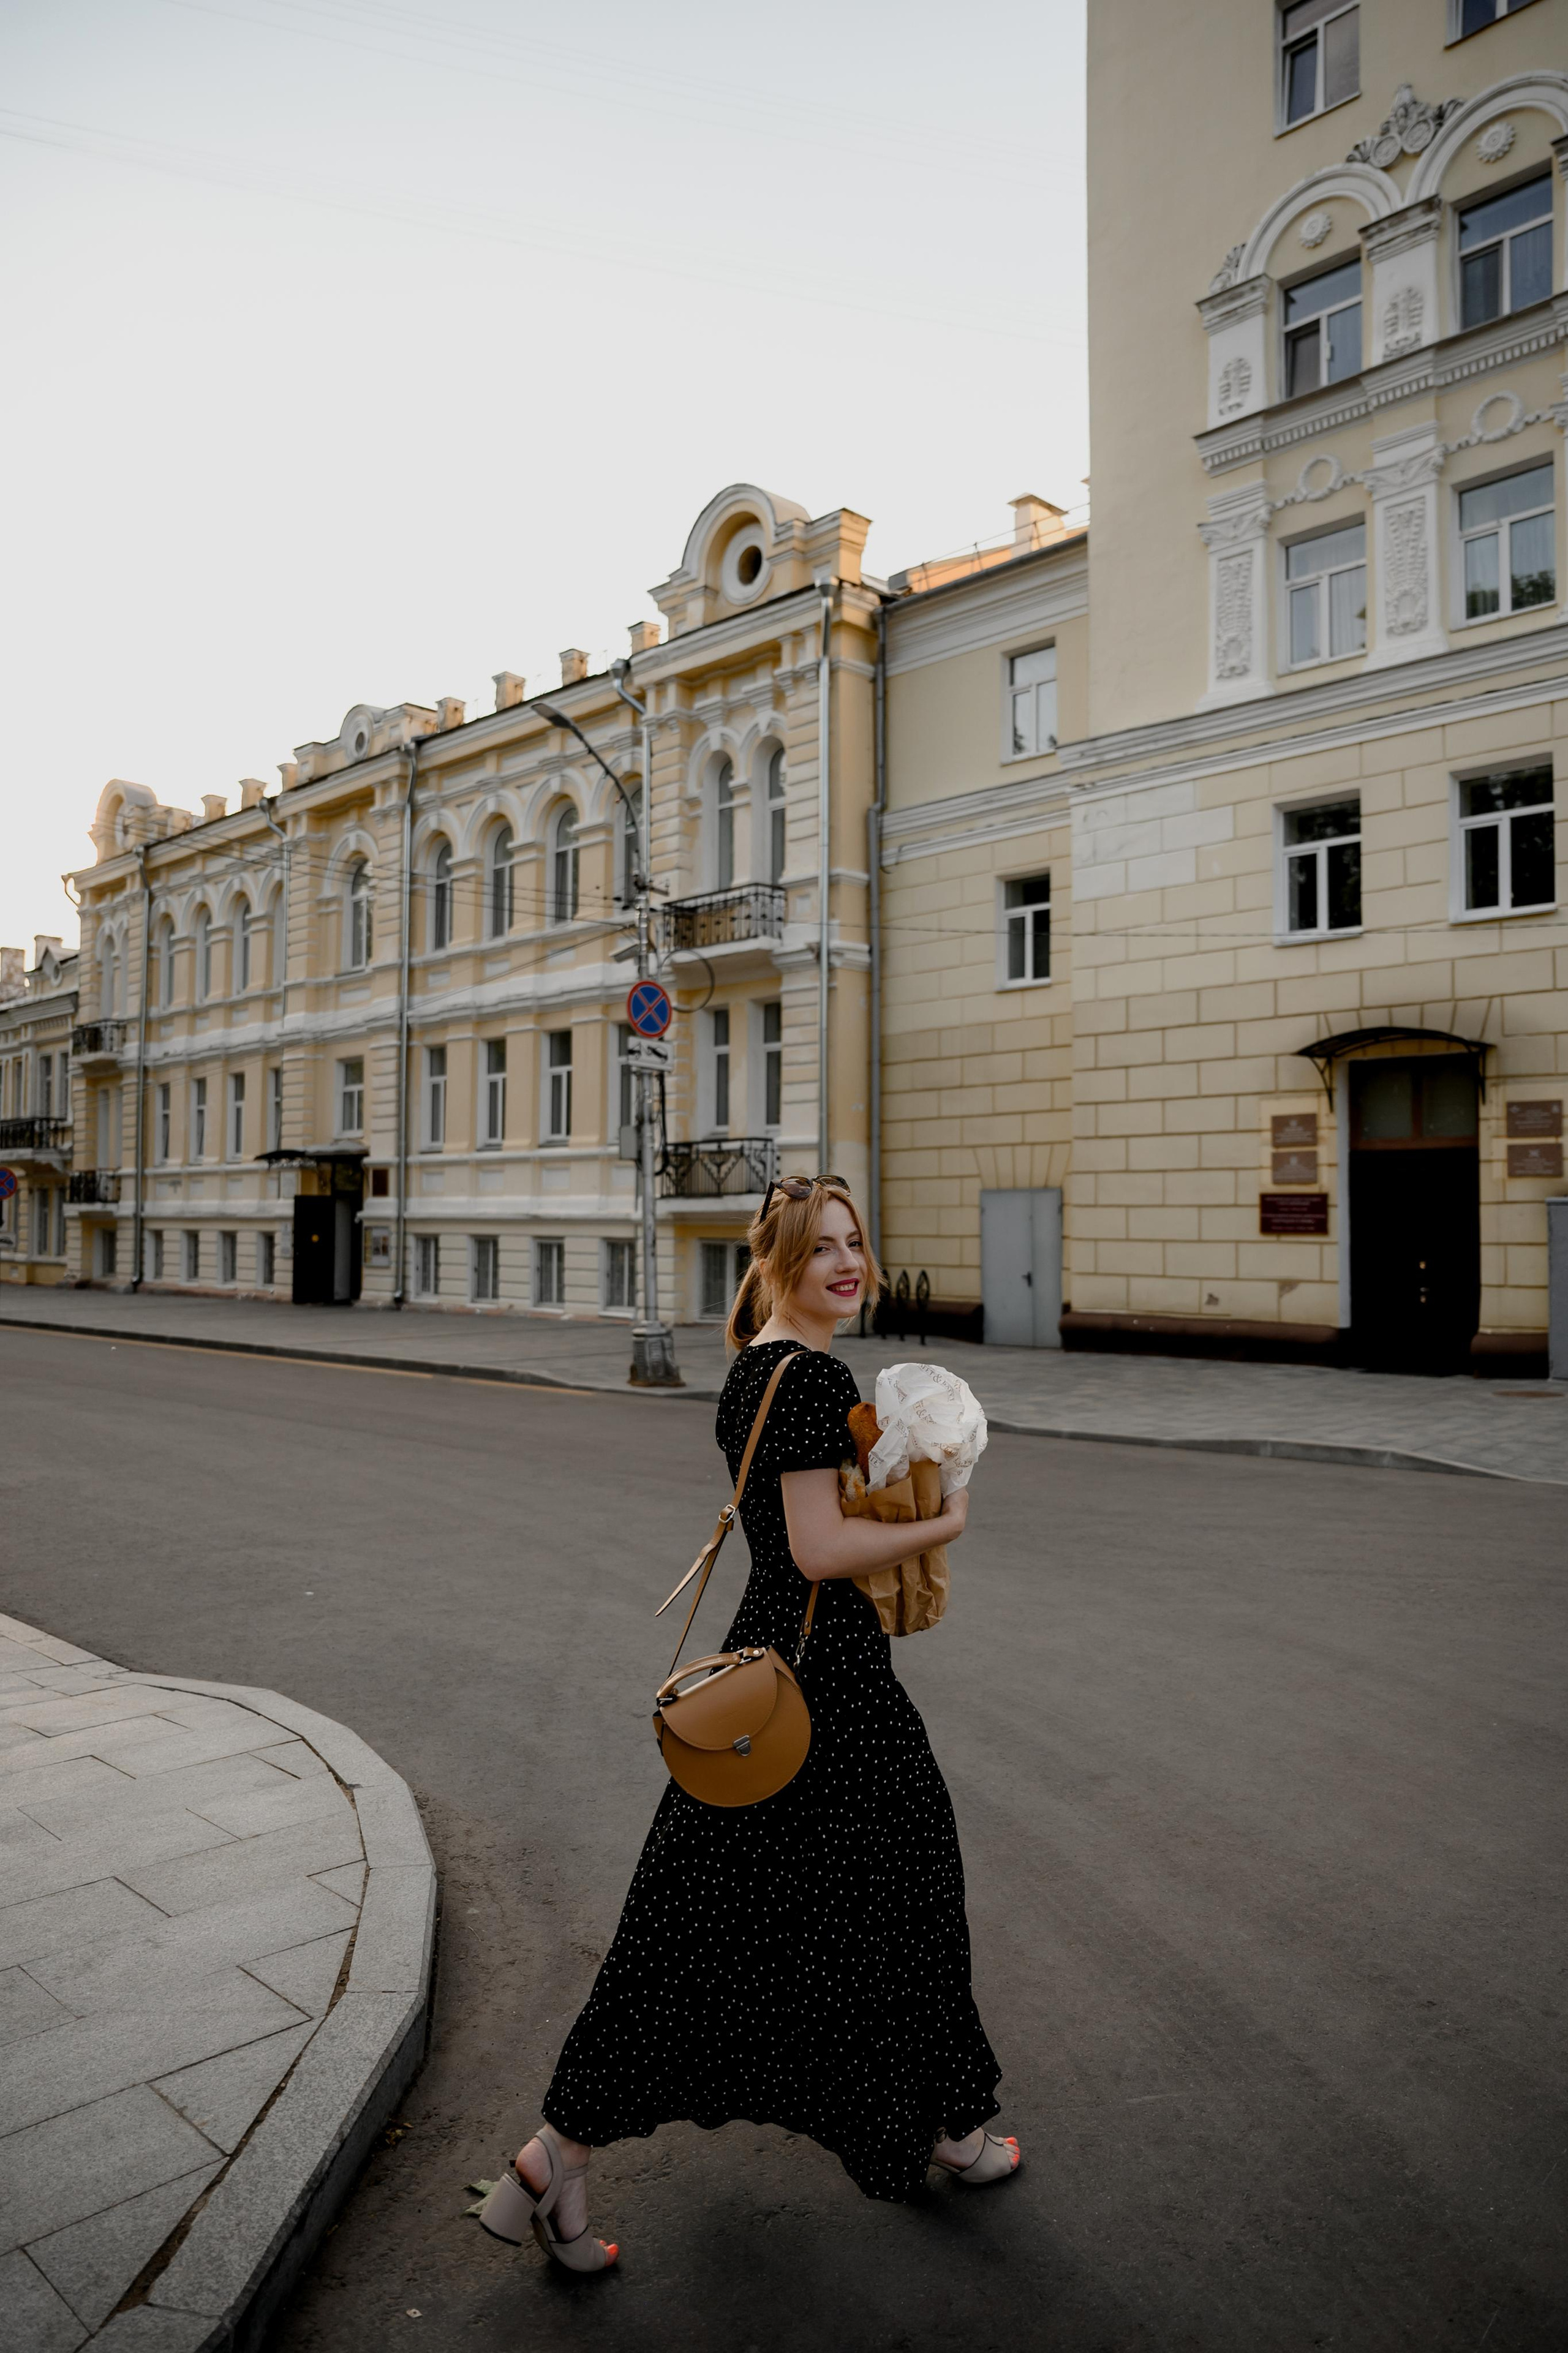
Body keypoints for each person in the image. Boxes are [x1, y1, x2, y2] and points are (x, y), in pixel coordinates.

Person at [477, 1175, 1015, 2272]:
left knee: (707, 1917)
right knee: (896, 1886)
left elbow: (790, 1534)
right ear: (777, 1263)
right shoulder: (810, 1375)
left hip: (771, 1666)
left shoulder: (752, 1368)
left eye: (855, 1242)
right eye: (823, 1249)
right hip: (827, 1682)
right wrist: (944, 1516)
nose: (848, 1263)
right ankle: (943, 2128)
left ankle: (558, 2158)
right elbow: (817, 1548)